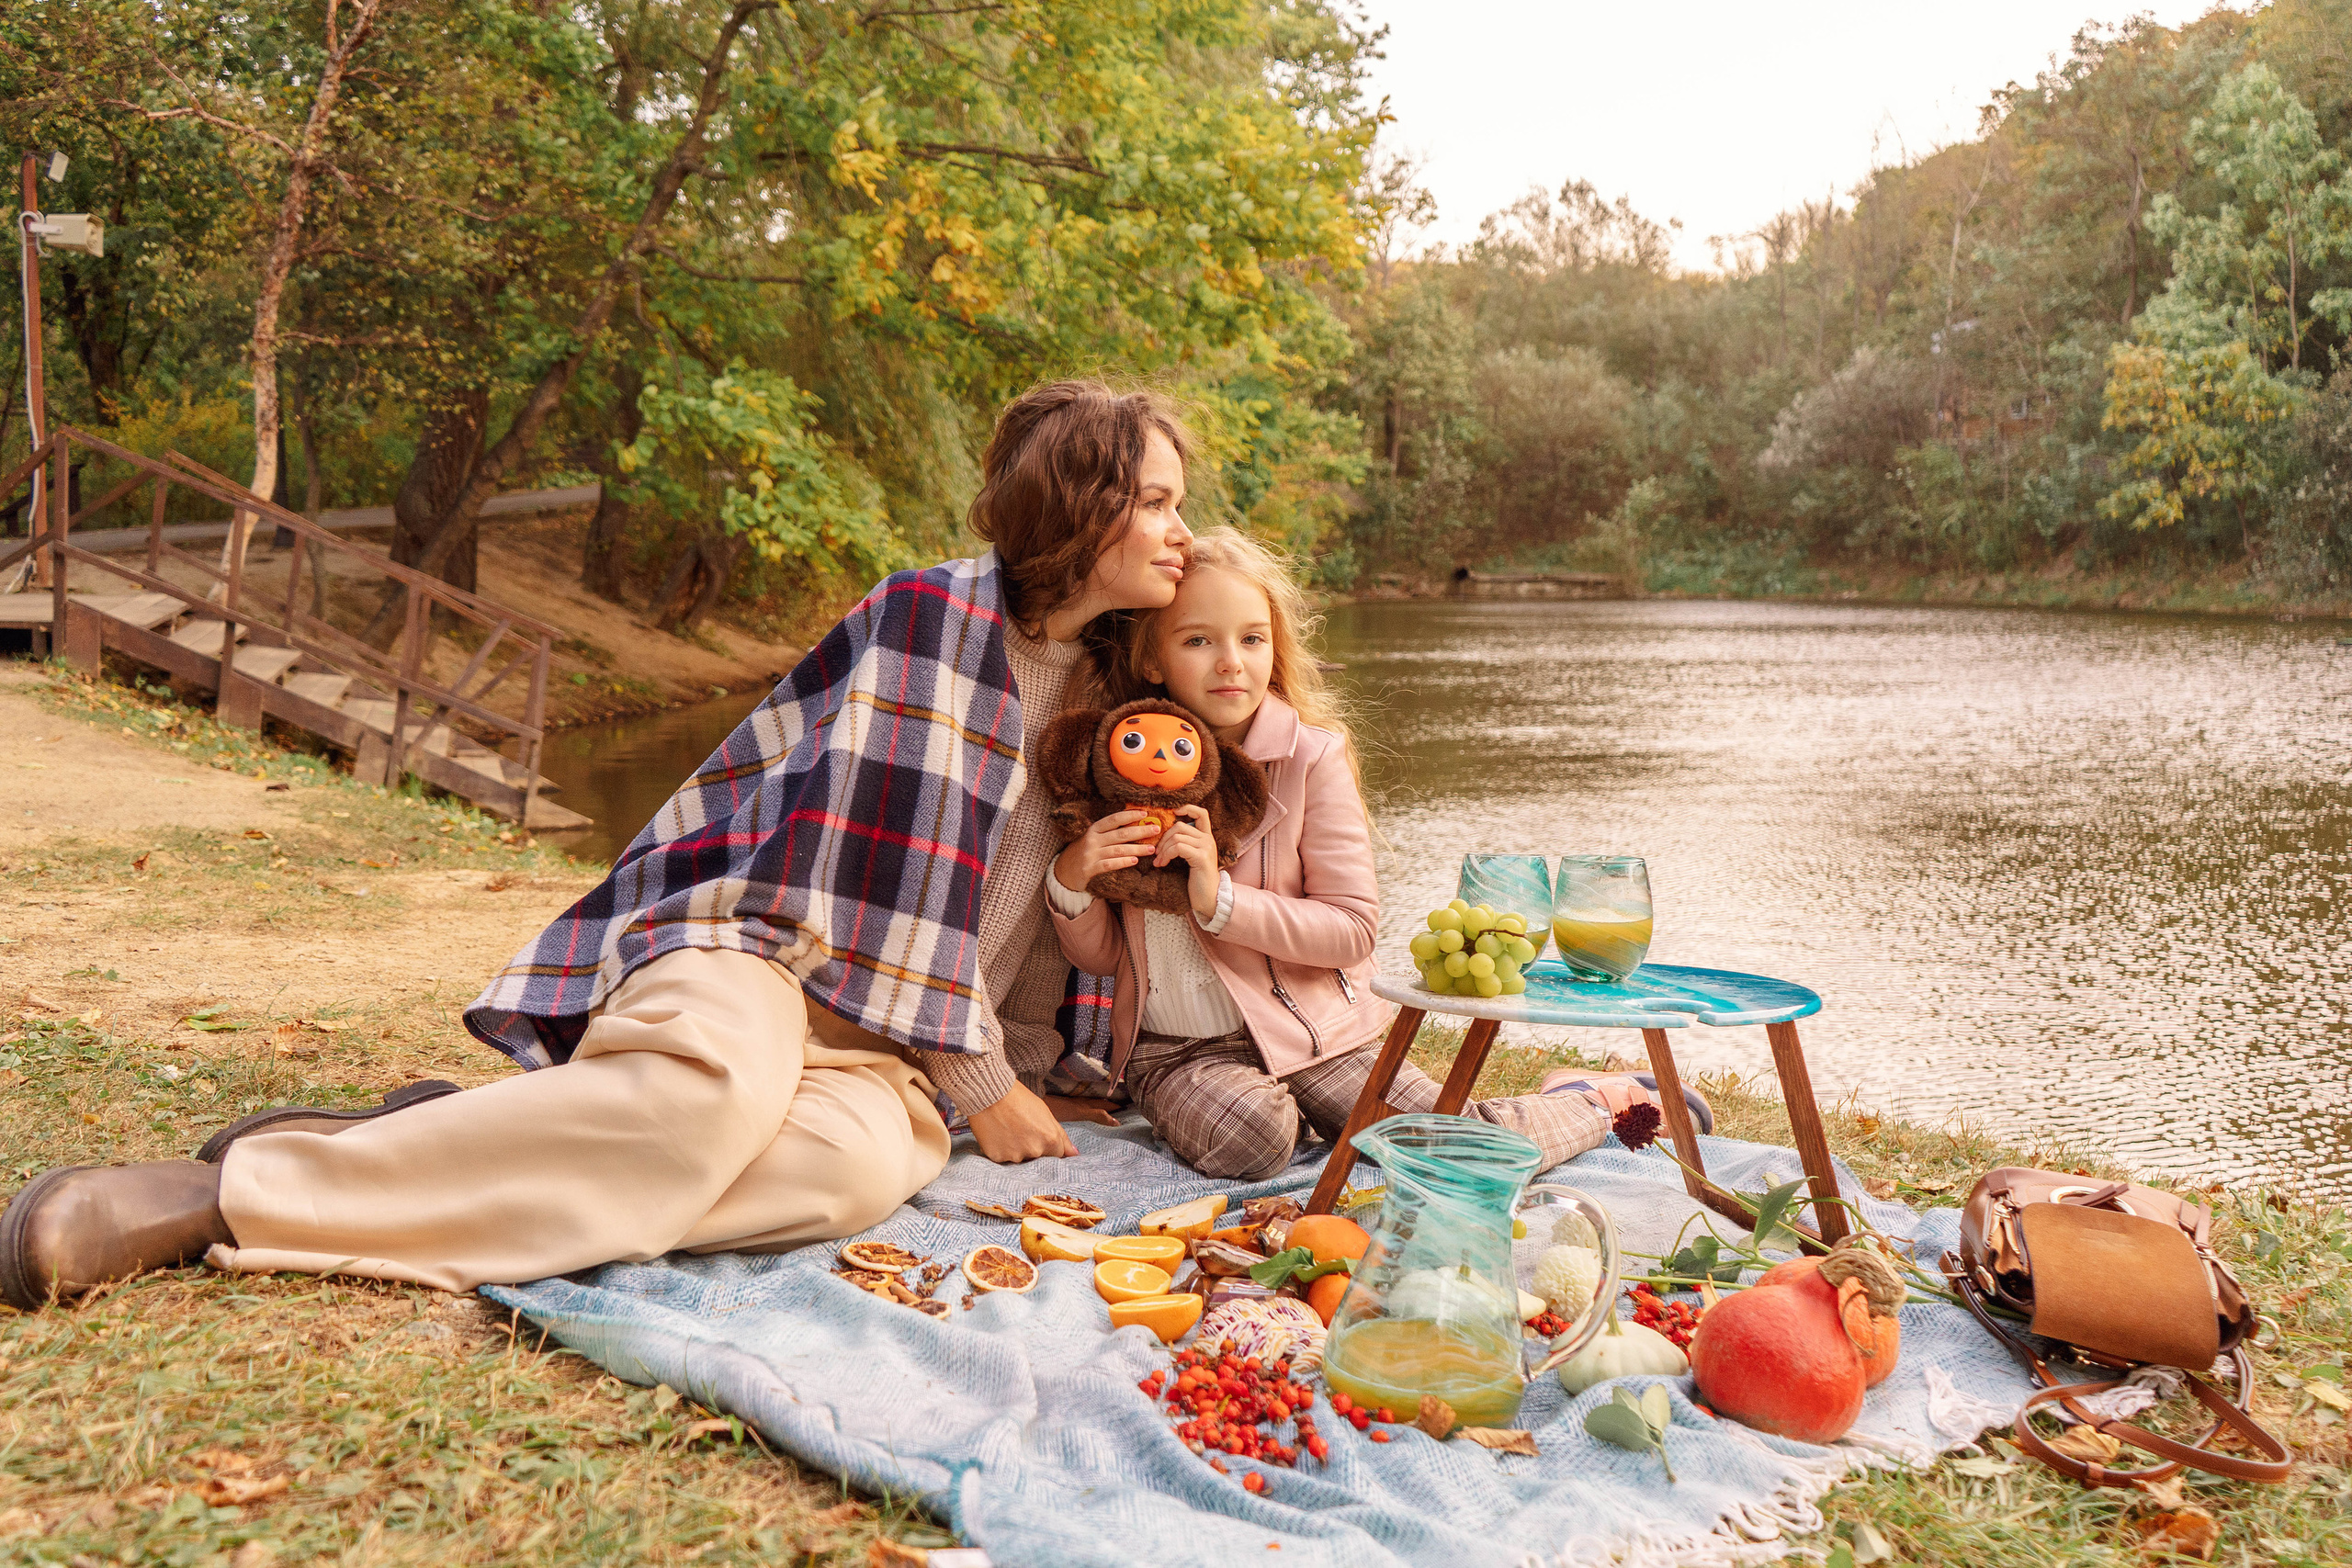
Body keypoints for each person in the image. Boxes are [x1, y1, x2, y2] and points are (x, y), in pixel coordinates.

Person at [0, 380, 1197, 1309]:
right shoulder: (928, 616)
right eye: (1156, 499)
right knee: (703, 1106)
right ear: (1076, 503)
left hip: (900, 1051)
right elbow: (866, 880)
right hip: (767, 955)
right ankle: (220, 1198)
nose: (1180, 530)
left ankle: (400, 1140)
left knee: (842, 1177)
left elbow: (1049, 916)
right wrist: (982, 1078)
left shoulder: (1118, 696)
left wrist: (1032, 1057)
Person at [1045, 527, 1709, 1180]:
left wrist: (1222, 900)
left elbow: (1353, 929)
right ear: (1153, 659)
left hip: (1314, 1031)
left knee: (1459, 1146)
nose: (1230, 661)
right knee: (1254, 1135)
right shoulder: (1121, 762)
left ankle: (1598, 1100)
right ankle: (1289, 1112)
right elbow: (1108, 957)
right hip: (1179, 1052)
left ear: (1274, 648)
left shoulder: (1311, 757)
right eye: (1198, 640)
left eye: (1251, 638)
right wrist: (1073, 880)